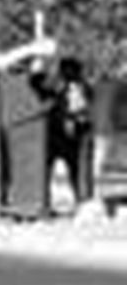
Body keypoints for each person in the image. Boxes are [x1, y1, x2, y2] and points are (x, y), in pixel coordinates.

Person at [33, 56, 94, 208]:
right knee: (75, 171)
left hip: (63, 136)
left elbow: (43, 92)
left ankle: (75, 201)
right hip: (72, 135)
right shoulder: (81, 87)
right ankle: (80, 200)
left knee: (59, 170)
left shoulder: (69, 88)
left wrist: (36, 75)